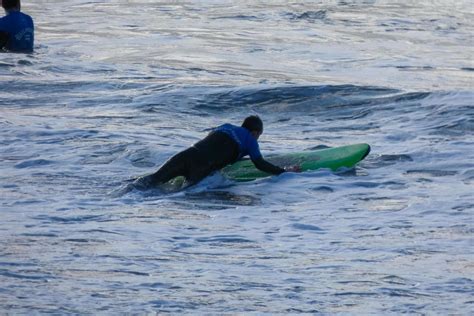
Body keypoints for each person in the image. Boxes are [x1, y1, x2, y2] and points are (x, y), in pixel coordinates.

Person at [134, 115, 300, 189]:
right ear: (255, 132)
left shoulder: (225, 127)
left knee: (152, 181)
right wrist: (283, 172)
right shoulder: (250, 139)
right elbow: (259, 163)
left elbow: (217, 146)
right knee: (184, 194)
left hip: (188, 154)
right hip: (203, 166)